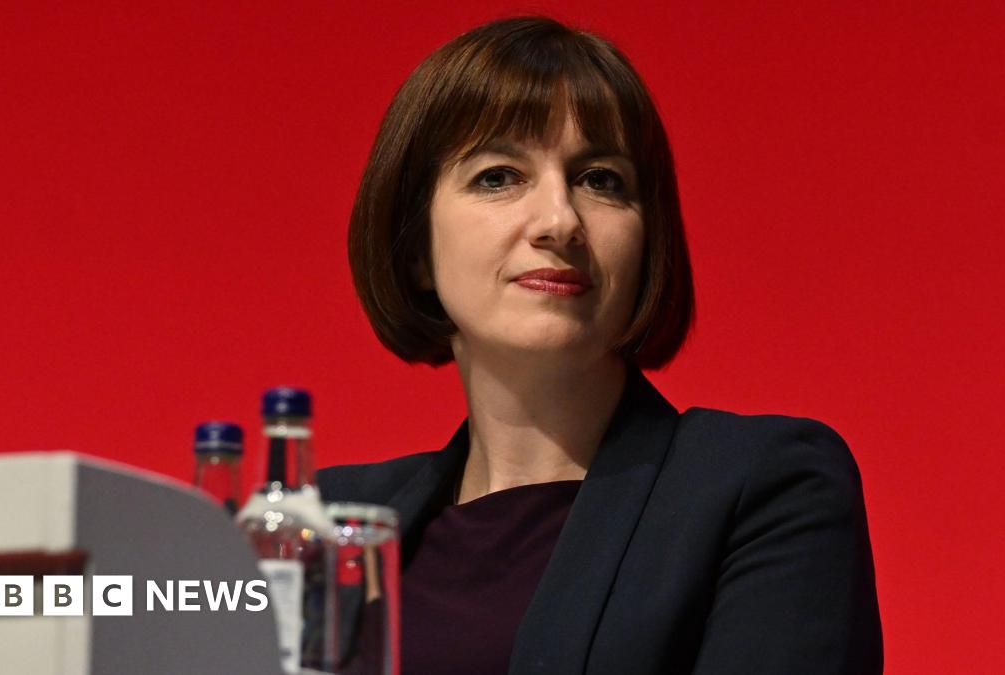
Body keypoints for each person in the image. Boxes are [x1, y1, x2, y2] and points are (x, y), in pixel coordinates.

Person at [318, 15, 883, 675]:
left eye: (602, 180)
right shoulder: (327, 521)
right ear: (416, 250)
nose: (559, 220)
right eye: (499, 176)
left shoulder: (764, 487)